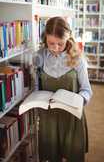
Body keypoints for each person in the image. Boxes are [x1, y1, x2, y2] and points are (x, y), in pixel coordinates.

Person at [34, 16, 92, 162]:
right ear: (45, 39)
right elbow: (36, 86)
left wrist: (80, 100)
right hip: (49, 118)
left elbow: (87, 90)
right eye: (51, 43)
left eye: (60, 44)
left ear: (68, 39)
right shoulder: (39, 56)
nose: (55, 48)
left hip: (71, 117)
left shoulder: (78, 59)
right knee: (52, 157)